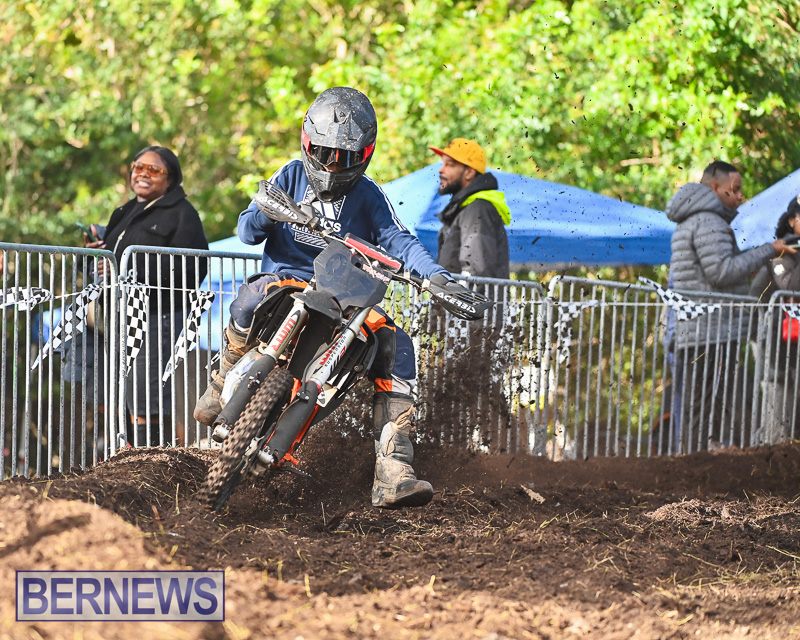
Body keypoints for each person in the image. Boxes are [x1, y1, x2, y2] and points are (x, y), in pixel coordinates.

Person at [193, 86, 478, 509]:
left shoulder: (369, 197)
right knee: (251, 296)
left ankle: (393, 470)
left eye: (343, 157)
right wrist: (270, 209)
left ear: (364, 154)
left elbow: (400, 240)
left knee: (396, 347)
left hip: (347, 294)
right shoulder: (290, 173)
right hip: (289, 279)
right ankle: (222, 383)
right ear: (307, 142)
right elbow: (249, 231)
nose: (330, 164)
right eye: (323, 152)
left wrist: (435, 277)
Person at [666, 160, 796, 451]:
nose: (740, 196)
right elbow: (721, 271)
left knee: (699, 405)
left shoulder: (697, 220)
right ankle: (694, 467)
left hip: (702, 328)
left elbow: (714, 271)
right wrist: (769, 250)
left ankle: (695, 461)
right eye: (734, 190)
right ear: (715, 188)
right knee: (702, 406)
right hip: (708, 330)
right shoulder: (708, 222)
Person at [84, 145, 209, 446]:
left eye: (154, 170)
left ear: (171, 179)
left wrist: (132, 273)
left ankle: (150, 464)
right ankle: (126, 459)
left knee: (146, 394)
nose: (143, 174)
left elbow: (195, 266)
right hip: (119, 313)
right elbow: (111, 260)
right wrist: (93, 259)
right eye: (138, 167)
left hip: (156, 315)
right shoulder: (126, 211)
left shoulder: (183, 214)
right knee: (122, 391)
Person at [749, 196, 800, 441]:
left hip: (791, 341)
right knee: (778, 409)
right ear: (792, 220)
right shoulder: (783, 249)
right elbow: (790, 285)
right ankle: (766, 459)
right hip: (770, 340)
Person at [429, 138, 510, 279]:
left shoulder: (478, 210)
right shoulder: (466, 209)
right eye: (443, 164)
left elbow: (476, 271)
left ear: (469, 172)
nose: (441, 170)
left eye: (450, 165)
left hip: (471, 301)